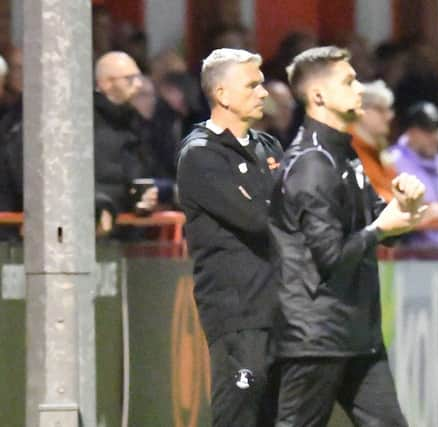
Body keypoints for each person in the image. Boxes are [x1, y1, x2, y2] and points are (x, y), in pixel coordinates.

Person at [269, 46, 428, 427]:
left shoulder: (345, 155)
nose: (359, 89)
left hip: (355, 333)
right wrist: (380, 229)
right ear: (318, 96)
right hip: (315, 338)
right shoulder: (310, 164)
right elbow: (332, 256)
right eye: (349, 81)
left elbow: (378, 222)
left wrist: (403, 207)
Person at [176, 48, 283, 427]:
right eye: (253, 84)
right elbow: (258, 218)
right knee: (240, 414)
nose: (264, 92)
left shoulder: (268, 146)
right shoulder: (201, 156)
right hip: (238, 312)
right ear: (222, 94)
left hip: (280, 307)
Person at [390, 101, 438, 247]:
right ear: (411, 132)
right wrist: (427, 213)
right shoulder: (392, 161)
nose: (435, 137)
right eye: (427, 131)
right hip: (411, 258)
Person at [94, 51, 159, 215]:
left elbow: (142, 169)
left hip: (130, 225)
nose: (138, 84)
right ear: (106, 83)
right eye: (129, 79)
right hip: (97, 224)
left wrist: (145, 195)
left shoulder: (135, 121)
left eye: (139, 77)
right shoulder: (84, 122)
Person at [350, 79, 397, 201]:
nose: (390, 116)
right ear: (360, 109)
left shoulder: (380, 150)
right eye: (381, 109)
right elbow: (369, 197)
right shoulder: (347, 147)